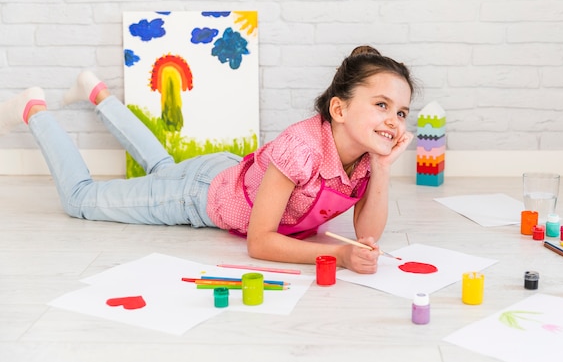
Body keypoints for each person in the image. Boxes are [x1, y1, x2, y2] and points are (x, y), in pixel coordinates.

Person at [0, 45, 417, 274]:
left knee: (163, 169)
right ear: (339, 110)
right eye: (381, 104)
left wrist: (381, 168)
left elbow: (368, 232)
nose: (393, 121)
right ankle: (34, 110)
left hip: (228, 173)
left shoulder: (363, 159)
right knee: (81, 199)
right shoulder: (302, 149)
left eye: (400, 112)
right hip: (198, 195)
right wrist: (337, 257)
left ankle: (98, 96)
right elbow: (260, 241)